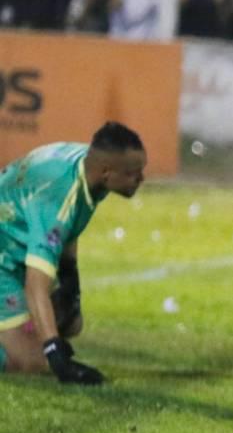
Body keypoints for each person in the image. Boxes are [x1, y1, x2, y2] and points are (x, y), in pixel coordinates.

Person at [0, 123, 147, 383]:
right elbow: (36, 286)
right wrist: (54, 353)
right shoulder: (58, 199)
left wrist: (70, 280)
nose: (141, 179)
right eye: (133, 173)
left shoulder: (89, 169)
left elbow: (70, 223)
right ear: (106, 172)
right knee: (32, 362)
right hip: (4, 256)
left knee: (70, 320)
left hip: (16, 239)